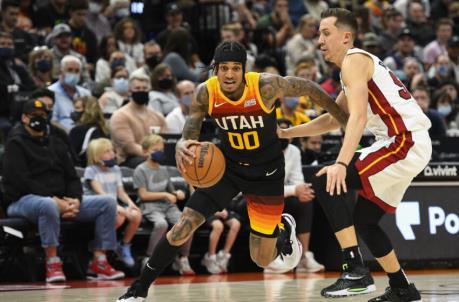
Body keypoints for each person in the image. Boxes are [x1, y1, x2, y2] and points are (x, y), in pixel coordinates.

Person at [117, 40, 347, 302]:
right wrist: (182, 144)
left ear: (243, 70)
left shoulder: (265, 86)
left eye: (235, 68)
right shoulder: (206, 92)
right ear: (215, 69)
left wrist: (346, 122)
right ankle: (139, 289)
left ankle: (282, 231)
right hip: (227, 169)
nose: (228, 74)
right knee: (183, 225)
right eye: (223, 68)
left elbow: (308, 88)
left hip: (266, 174)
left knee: (261, 258)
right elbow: (189, 134)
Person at [278, 8, 432, 301]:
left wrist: (340, 163)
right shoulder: (353, 69)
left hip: (403, 140)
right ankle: (401, 287)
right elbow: (334, 118)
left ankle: (355, 270)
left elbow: (358, 119)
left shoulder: (353, 61)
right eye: (318, 34)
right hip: (403, 143)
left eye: (326, 33)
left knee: (326, 180)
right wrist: (286, 133)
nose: (319, 40)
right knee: (366, 221)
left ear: (345, 37)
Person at [3, 99, 125, 282]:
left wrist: (75, 199)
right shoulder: (15, 144)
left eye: (43, 116)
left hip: (62, 201)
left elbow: (72, 176)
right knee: (48, 205)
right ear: (24, 118)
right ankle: (52, 262)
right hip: (23, 201)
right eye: (35, 116)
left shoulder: (56, 143)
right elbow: (22, 181)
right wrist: (55, 200)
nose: (39, 119)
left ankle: (99, 260)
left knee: (107, 202)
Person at [264, 119, 324, 274]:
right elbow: (264, 190)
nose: (282, 136)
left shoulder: (294, 151)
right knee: (268, 202)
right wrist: (294, 190)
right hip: (251, 199)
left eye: (286, 133)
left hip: (280, 195)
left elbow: (298, 182)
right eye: (279, 133)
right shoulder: (261, 152)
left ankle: (304, 257)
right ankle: (270, 257)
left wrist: (300, 190)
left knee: (305, 200)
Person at [134, 134, 194, 275]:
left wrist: (178, 193)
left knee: (189, 223)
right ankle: (148, 258)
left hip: (168, 206)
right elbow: (143, 195)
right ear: (145, 151)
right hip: (150, 206)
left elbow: (171, 191)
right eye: (155, 149)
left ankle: (183, 258)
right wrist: (165, 195)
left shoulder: (164, 170)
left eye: (161, 149)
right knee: (161, 224)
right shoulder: (140, 170)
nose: (159, 153)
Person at [84, 138, 142, 267]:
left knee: (137, 214)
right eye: (107, 151)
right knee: (119, 217)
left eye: (112, 150)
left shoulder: (116, 169)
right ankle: (98, 244)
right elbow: (101, 194)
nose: (112, 154)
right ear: (97, 155)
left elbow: (120, 193)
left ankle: (124, 245)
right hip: (99, 205)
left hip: (113, 204)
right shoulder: (91, 171)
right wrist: (121, 209)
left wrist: (131, 204)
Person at [110, 73, 167, 169]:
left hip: (156, 156)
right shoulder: (119, 116)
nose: (141, 91)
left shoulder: (158, 116)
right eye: (137, 88)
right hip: (129, 160)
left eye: (144, 88)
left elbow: (165, 141)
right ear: (129, 91)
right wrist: (152, 155)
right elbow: (129, 147)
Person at [48, 55, 91, 132]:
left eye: (77, 71)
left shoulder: (86, 93)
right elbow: (52, 121)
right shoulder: (50, 92)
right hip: (60, 136)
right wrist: (70, 134)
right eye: (70, 70)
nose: (73, 73)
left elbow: (91, 117)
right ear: (61, 72)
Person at [69, 96, 110, 166]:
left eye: (77, 108)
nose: (74, 111)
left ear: (88, 111)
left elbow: (71, 156)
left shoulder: (78, 131)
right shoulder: (103, 128)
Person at [201, 207, 241, 274]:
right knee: (218, 226)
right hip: (207, 211)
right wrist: (214, 211)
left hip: (221, 210)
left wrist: (223, 210)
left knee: (236, 224)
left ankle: (223, 256)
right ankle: (210, 257)